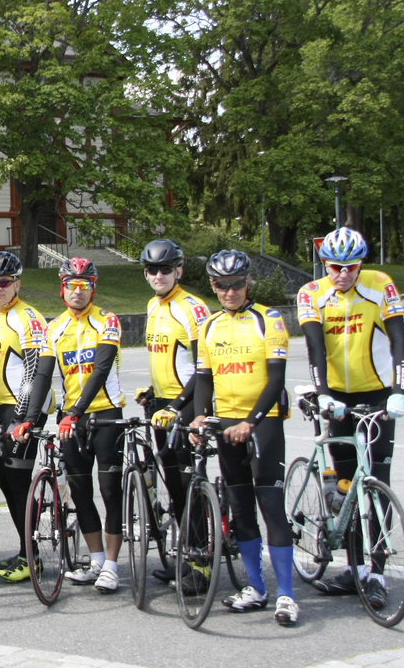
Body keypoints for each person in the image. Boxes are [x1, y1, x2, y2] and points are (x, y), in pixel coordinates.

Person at [296, 227, 404, 601]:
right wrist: (323, 394)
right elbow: (313, 347)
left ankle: (376, 574)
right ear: (324, 264)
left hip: (377, 394)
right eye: (335, 267)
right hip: (337, 395)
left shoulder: (380, 285)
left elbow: (398, 339)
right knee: (347, 486)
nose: (343, 274)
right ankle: (354, 569)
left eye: (351, 267)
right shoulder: (312, 293)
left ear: (362, 264)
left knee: (376, 479)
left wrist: (398, 390)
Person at [193, 249, 297, 625]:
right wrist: (200, 417)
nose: (231, 292)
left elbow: (276, 380)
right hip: (226, 423)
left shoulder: (268, 319)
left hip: (263, 421)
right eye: (222, 285)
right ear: (213, 285)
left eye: (237, 284)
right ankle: (255, 587)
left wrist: (250, 422)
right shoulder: (208, 326)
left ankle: (286, 594)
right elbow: (204, 379)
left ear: (248, 281)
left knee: (271, 507)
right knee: (241, 510)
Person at [13, 257, 125, 593]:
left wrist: (74, 411)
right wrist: (29, 419)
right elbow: (43, 375)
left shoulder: (107, 320)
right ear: (62, 290)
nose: (78, 292)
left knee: (109, 491)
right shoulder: (54, 327)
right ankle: (96, 561)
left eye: (84, 285)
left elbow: (100, 371)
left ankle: (114, 566)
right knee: (80, 490)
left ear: (93, 288)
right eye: (71, 286)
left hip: (105, 414)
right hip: (71, 419)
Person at [0, 251, 50, 583]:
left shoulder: (28, 317)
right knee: (5, 482)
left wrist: (21, 417)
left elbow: (33, 372)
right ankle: (23, 552)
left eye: (4, 282)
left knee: (18, 484)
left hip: (23, 411)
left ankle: (33, 558)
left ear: (17, 283)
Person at [138, 238, 210, 582]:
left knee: (188, 485)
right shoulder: (153, 307)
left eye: (165, 269)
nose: (158, 275)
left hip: (186, 405)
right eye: (152, 269)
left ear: (178, 270)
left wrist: (180, 406)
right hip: (161, 406)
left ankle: (200, 563)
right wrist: (152, 392)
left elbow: (202, 367)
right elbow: (168, 359)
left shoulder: (191, 308)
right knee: (174, 487)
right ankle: (187, 556)